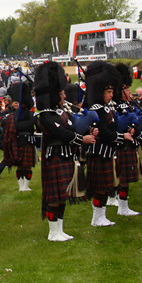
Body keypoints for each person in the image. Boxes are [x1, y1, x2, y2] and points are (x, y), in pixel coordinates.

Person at [34, 62, 97, 241]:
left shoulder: (61, 112)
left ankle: (59, 230)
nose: (63, 96)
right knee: (55, 196)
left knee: (62, 196)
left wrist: (88, 131)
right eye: (60, 93)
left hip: (65, 156)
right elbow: (61, 133)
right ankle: (53, 232)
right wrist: (81, 139)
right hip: (54, 157)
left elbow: (72, 129)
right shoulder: (45, 116)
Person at [84, 61, 134, 227]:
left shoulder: (106, 108)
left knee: (105, 187)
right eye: (109, 92)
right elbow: (105, 133)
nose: (112, 95)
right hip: (100, 152)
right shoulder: (97, 109)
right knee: (100, 187)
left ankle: (101, 217)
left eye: (112, 91)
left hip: (107, 152)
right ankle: (97, 218)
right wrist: (122, 136)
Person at [113, 63, 142, 217]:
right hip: (121, 144)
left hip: (128, 143)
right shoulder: (116, 106)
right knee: (122, 178)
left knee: (125, 179)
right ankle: (122, 207)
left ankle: (124, 206)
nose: (129, 92)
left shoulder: (126, 105)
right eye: (127, 88)